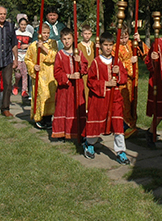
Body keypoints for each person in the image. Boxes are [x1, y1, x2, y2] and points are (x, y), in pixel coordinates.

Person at [83, 31, 131, 164]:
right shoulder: (96, 62)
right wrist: (105, 83)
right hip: (100, 100)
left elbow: (124, 78)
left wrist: (118, 73)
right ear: (101, 46)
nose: (108, 48)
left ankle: (121, 151)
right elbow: (90, 81)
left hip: (115, 98)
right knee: (96, 123)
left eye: (110, 45)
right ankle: (89, 143)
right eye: (105, 45)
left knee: (117, 125)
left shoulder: (117, 62)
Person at [51, 28, 88, 140]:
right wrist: (69, 76)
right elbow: (57, 72)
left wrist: (80, 62)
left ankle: (79, 131)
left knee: (77, 107)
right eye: (64, 39)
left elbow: (85, 69)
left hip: (77, 86)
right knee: (64, 107)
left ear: (73, 39)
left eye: (69, 38)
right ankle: (62, 131)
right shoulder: (60, 55)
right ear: (61, 40)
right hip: (65, 88)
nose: (67, 41)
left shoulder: (79, 53)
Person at [114, 24, 148, 138]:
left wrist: (138, 41)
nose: (124, 40)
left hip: (134, 79)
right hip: (123, 80)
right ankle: (125, 126)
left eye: (126, 37)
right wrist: (129, 62)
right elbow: (115, 64)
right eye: (121, 38)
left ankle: (133, 124)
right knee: (125, 103)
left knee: (133, 101)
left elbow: (145, 54)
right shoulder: (115, 47)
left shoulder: (131, 43)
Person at [144, 15, 162, 148]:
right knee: (160, 110)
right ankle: (151, 132)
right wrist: (152, 58)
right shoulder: (158, 43)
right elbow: (149, 62)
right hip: (160, 80)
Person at [25, 24, 58, 129]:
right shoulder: (33, 46)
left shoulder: (52, 43)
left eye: (47, 33)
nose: (46, 35)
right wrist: (34, 67)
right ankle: (39, 118)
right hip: (39, 76)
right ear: (39, 34)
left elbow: (54, 56)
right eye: (44, 33)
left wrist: (43, 47)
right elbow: (27, 59)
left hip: (50, 75)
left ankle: (48, 118)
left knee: (50, 96)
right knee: (41, 95)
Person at [15, 17, 32, 99]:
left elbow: (31, 45)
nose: (23, 26)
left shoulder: (29, 34)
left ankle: (24, 90)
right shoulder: (15, 33)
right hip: (17, 56)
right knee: (18, 74)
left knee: (25, 74)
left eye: (25, 25)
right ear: (19, 24)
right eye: (22, 24)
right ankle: (16, 85)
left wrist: (27, 45)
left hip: (25, 56)